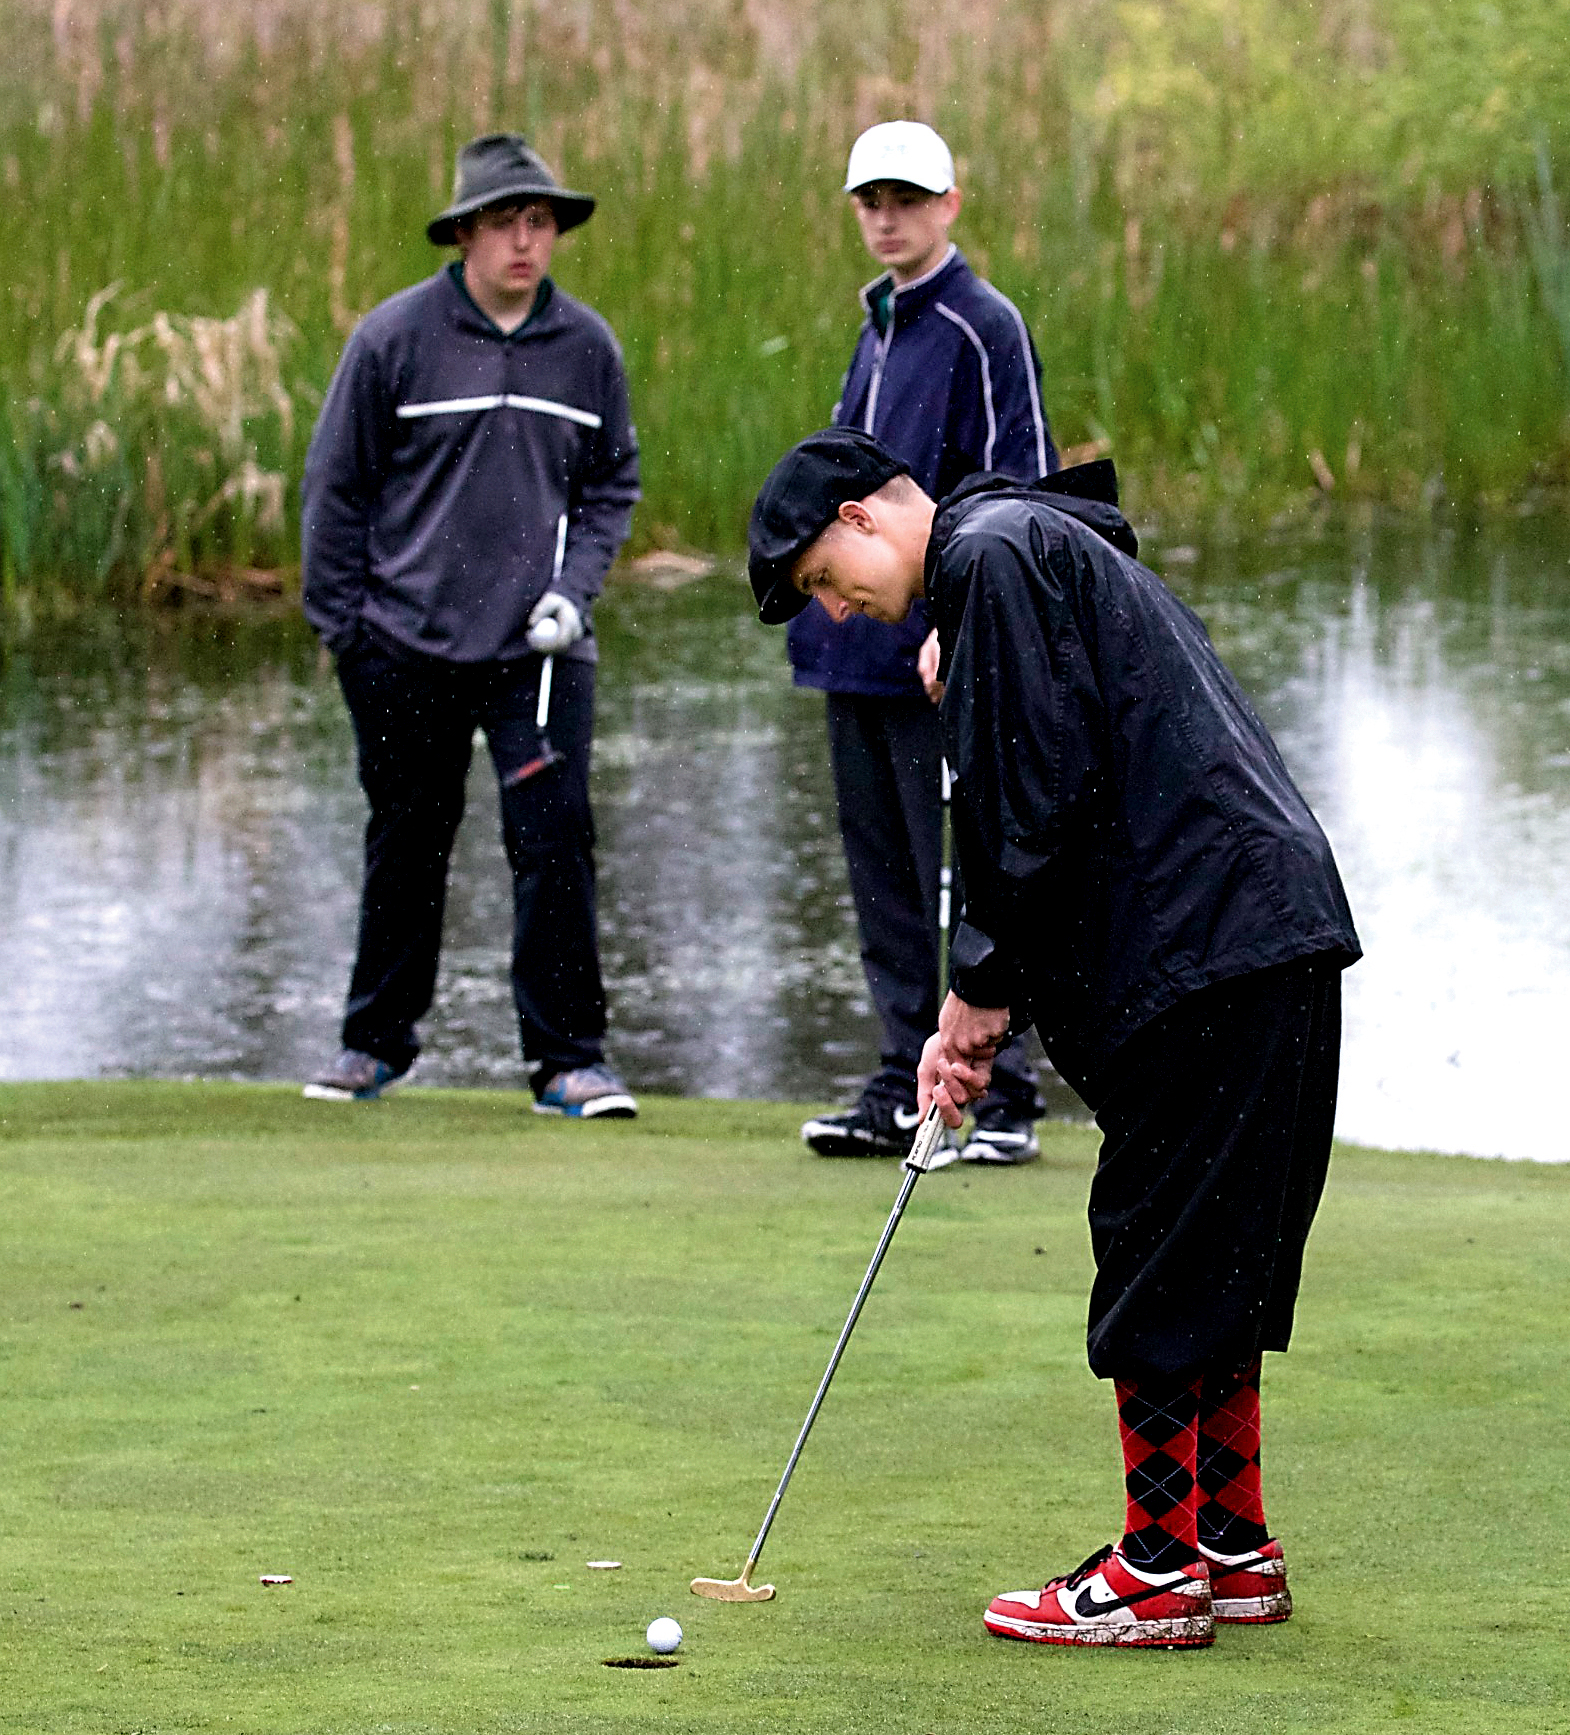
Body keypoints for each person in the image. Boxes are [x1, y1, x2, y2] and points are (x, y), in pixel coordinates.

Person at [748, 428, 1361, 1650]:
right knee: (1217, 1244)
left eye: (824, 578)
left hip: (1208, 944)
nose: (842, 610)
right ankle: (1227, 1545)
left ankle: (1152, 1568)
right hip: (1267, 931)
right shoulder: (1021, 547)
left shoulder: (990, 559)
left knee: (1157, 1244)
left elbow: (1031, 793)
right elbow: (1062, 738)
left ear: (867, 518)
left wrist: (976, 990)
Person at [300, 133, 641, 1117]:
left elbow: (613, 483)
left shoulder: (587, 349)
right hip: (400, 645)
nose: (526, 241)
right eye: (505, 222)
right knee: (406, 843)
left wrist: (575, 590)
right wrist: (345, 635)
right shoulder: (394, 338)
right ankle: (373, 1046)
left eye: (540, 222)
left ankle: (570, 1062)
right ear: (464, 234)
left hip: (539, 651)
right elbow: (336, 493)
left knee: (555, 843)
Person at [788, 122, 1058, 1167]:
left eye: (907, 198)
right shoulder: (877, 325)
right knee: (883, 874)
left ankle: (1005, 1092)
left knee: (968, 866)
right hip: (854, 648)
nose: (887, 217)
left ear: (950, 203)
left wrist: (961, 623)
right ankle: (904, 1074)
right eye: (871, 201)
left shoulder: (983, 325)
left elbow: (1019, 492)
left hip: (941, 648)